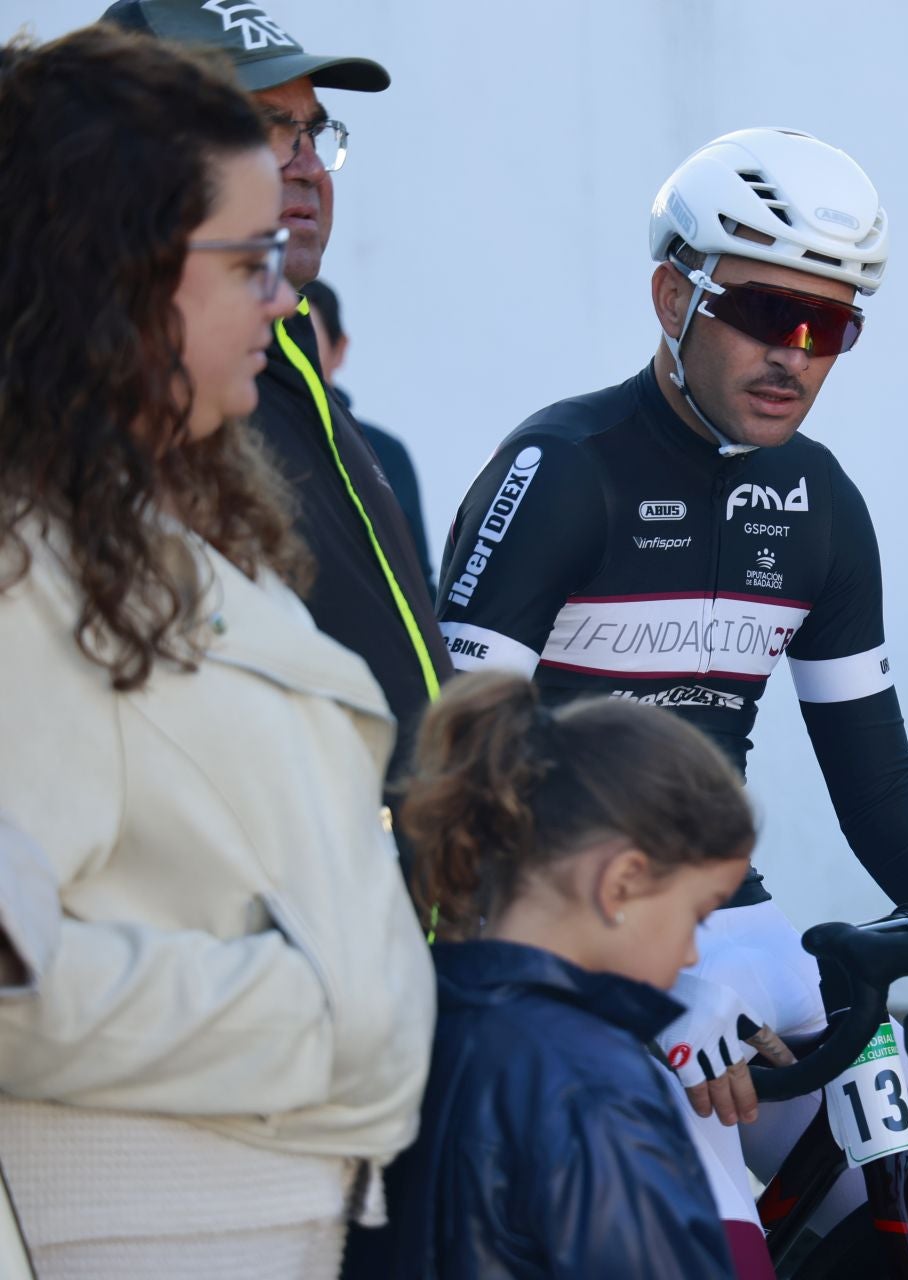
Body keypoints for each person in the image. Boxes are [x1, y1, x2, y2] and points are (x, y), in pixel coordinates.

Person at [434, 126, 908, 1243]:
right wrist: (619, 982)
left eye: (833, 329)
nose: (798, 357)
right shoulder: (561, 470)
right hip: (573, 932)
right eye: (769, 315)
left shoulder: (821, 502)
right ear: (673, 295)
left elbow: (879, 787)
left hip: (738, 928)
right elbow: (448, 777)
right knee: (713, 1229)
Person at [0, 25, 434, 1276]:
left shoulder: (160, 513)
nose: (284, 294)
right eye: (245, 261)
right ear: (119, 275)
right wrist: (331, 1010)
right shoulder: (28, 567)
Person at [103, 0, 449, 793]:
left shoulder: (292, 360)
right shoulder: (133, 398)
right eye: (263, 128)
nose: (305, 166)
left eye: (313, 132)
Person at [378, 674, 748, 1278]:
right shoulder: (593, 1084)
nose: (688, 956)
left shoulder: (411, 1022)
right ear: (622, 882)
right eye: (697, 915)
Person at [303, 278, 436, 593]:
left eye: (302, 336)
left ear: (339, 349)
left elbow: (418, 578)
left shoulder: (384, 453)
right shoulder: (242, 447)